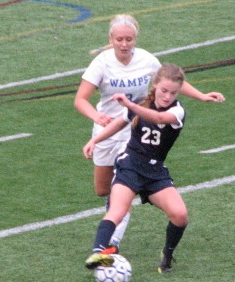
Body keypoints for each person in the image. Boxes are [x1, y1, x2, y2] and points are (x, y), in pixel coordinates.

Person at [74, 14, 225, 251]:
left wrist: (201, 95)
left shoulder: (146, 60)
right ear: (110, 39)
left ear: (136, 39)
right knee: (102, 189)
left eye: (129, 39)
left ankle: (111, 242)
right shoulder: (101, 63)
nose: (124, 44)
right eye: (120, 39)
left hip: (133, 127)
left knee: (123, 185)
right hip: (107, 128)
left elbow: (172, 82)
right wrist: (97, 118)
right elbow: (80, 100)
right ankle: (123, 203)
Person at [82, 63, 189, 273]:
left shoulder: (177, 111)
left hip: (155, 172)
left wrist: (130, 105)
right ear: (155, 85)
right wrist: (94, 140)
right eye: (164, 91)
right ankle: (99, 254)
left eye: (173, 92)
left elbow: (158, 118)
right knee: (117, 211)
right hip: (130, 166)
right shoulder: (141, 104)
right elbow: (118, 123)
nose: (167, 96)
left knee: (180, 215)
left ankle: (167, 255)